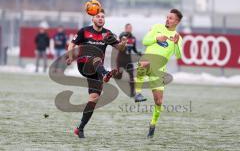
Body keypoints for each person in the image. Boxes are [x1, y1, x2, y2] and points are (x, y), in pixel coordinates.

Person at [66, 9, 127, 139]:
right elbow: (72, 43)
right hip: (84, 64)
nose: (100, 18)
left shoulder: (107, 34)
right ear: (93, 19)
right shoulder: (84, 31)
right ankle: (106, 74)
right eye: (98, 16)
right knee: (95, 58)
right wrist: (70, 56)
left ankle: (80, 128)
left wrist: (123, 44)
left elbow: (120, 48)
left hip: (97, 69)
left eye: (102, 17)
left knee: (94, 99)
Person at [134, 9, 183, 138]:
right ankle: (137, 93)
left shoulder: (178, 37)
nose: (167, 19)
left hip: (159, 69)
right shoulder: (157, 27)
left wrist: (177, 43)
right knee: (143, 63)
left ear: (177, 21)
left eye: (171, 18)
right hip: (148, 60)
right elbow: (145, 41)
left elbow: (179, 56)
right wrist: (156, 38)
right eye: (167, 17)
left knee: (159, 101)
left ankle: (152, 125)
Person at [114, 23, 142, 97]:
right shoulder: (122, 36)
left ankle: (132, 93)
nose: (129, 29)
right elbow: (118, 45)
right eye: (128, 28)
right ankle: (112, 74)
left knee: (132, 76)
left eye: (130, 28)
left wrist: (138, 53)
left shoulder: (133, 38)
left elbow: (134, 49)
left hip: (128, 60)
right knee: (119, 76)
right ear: (125, 29)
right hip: (120, 59)